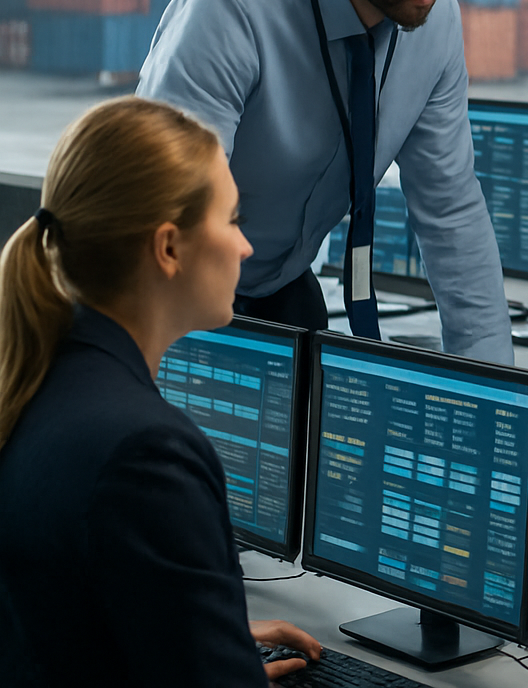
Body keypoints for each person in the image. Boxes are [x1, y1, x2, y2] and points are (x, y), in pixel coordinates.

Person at [139, 0, 511, 356]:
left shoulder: (436, 23)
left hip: (282, 289)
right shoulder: (231, 9)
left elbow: (451, 209)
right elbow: (166, 213)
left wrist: (495, 396)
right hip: (177, 290)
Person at [0, 97, 322, 684]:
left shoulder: (34, 376)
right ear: (169, 247)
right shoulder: (146, 450)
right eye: (232, 220)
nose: (245, 248)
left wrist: (202, 631)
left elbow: (51, 610)